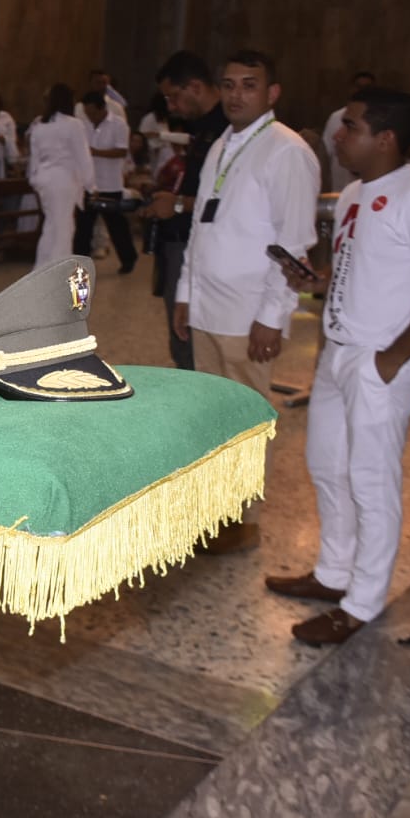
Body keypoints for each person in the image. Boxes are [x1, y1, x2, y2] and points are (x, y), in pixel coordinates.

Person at [264, 86, 410, 644]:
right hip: (338, 351)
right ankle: (332, 572)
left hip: (382, 363)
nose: (337, 135)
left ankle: (363, 602)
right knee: (328, 465)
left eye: (350, 126)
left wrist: (393, 360)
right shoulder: (354, 191)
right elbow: (359, 268)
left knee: (371, 482)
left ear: (386, 138)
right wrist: (318, 283)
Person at [174, 50, 318, 553]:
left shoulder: (287, 151)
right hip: (209, 305)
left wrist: (272, 317)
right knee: (210, 415)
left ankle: (244, 521)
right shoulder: (221, 144)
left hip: (248, 312)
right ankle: (215, 509)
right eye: (229, 84)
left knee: (246, 419)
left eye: (249, 85)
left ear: (272, 93)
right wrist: (185, 294)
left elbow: (295, 246)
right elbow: (200, 226)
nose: (237, 95)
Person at [143, 50, 230, 371]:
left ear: (194, 86)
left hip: (203, 245)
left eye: (173, 97)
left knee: (193, 346)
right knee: (182, 341)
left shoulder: (225, 128)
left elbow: (229, 199)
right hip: (183, 239)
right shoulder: (204, 128)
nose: (171, 107)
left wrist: (178, 203)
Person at [26, 83, 95, 269]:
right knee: (63, 228)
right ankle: (56, 273)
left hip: (44, 179)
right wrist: (91, 185)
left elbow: (34, 157)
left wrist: (34, 180)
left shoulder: (39, 124)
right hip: (63, 180)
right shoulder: (74, 125)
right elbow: (83, 157)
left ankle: (42, 269)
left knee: (52, 227)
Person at [73, 91, 138, 272]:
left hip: (110, 183)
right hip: (88, 183)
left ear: (102, 109)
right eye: (87, 113)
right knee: (83, 228)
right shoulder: (83, 125)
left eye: (93, 112)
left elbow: (121, 151)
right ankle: (79, 264)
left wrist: (95, 152)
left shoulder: (119, 124)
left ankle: (128, 259)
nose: (90, 116)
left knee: (117, 226)